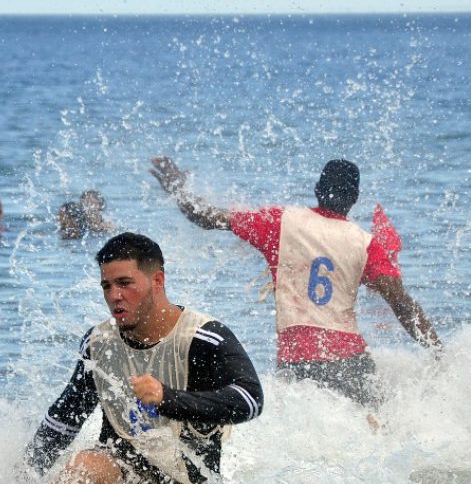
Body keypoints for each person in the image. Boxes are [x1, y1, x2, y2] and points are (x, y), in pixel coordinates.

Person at [25, 232, 263, 484]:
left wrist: (168, 398)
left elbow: (250, 400)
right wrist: (21, 477)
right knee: (84, 469)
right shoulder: (99, 344)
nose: (115, 296)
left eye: (125, 283)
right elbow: (64, 418)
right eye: (107, 286)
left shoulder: (204, 338)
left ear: (157, 280)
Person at [150, 157, 441, 407]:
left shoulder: (279, 223)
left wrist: (178, 188)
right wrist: (438, 350)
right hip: (350, 360)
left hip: (298, 361)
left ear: (317, 190)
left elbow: (205, 217)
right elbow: (402, 304)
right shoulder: (366, 244)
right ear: (355, 198)